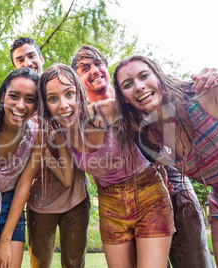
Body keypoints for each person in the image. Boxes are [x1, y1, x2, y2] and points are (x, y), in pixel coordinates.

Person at [71, 45, 218, 268]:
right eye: (85, 68)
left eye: (98, 63)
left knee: (192, 257)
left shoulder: (130, 94)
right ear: (77, 77)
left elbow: (170, 92)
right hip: (120, 202)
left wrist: (212, 77)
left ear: (106, 66)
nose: (94, 70)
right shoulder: (79, 117)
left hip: (171, 180)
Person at [38, 63, 177, 268]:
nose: (63, 105)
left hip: (148, 195)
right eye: (53, 98)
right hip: (110, 206)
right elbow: (67, 179)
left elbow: (155, 127)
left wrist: (161, 166)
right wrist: (42, 151)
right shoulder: (61, 136)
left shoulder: (109, 110)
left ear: (79, 92)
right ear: (46, 104)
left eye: (69, 94)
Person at [112, 55, 218, 268]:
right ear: (124, 97)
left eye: (144, 76)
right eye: (128, 84)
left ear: (158, 76)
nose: (139, 86)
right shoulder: (149, 134)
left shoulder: (211, 93)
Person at [0, 67, 73, 268]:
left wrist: (5, 240)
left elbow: (24, 186)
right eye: (14, 96)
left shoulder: (37, 135)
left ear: (37, 105)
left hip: (12, 209)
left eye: (30, 99)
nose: (21, 105)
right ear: (3, 96)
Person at [10, 37, 90, 268]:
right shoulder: (21, 109)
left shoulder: (65, 94)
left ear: (40, 58)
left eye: (31, 55)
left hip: (75, 200)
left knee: (74, 263)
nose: (27, 62)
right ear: (16, 66)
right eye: (20, 59)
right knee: (39, 264)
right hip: (39, 204)